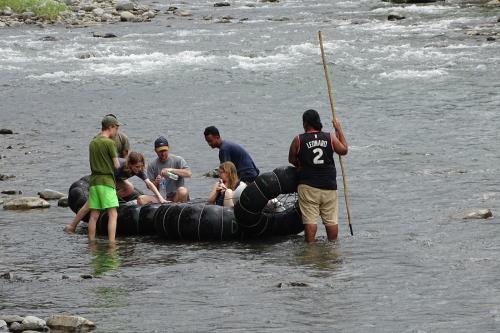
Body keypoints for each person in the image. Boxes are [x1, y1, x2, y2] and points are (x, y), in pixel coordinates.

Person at [64, 152, 168, 233]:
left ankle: (111, 201)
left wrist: (160, 198)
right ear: (130, 164)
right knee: (89, 205)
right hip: (102, 178)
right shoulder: (119, 167)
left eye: (141, 166)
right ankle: (72, 226)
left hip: (115, 180)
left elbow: (149, 183)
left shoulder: (139, 170)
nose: (139, 169)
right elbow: (108, 180)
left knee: (129, 188)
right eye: (137, 167)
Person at [288, 109, 348, 243]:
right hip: (329, 186)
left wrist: (300, 164)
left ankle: (310, 251)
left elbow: (291, 159)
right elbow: (343, 150)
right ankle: (332, 249)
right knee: (331, 221)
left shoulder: (298, 139)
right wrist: (339, 129)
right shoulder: (330, 137)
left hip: (308, 186)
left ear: (305, 123)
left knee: (310, 220)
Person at [87, 115, 122, 242]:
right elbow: (117, 165)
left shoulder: (93, 142)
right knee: (113, 214)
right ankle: (112, 243)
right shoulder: (109, 143)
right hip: (106, 182)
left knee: (94, 215)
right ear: (111, 127)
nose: (117, 131)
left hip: (94, 182)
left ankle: (91, 242)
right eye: (116, 128)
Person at [138, 136, 192, 204]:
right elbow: (149, 186)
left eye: (165, 150)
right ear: (155, 151)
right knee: (141, 199)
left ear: (168, 148)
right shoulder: (152, 165)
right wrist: (156, 182)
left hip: (177, 195)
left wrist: (171, 170)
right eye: (160, 151)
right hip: (162, 196)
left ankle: (174, 208)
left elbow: (188, 174)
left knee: (183, 191)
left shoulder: (178, 160)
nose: (163, 154)